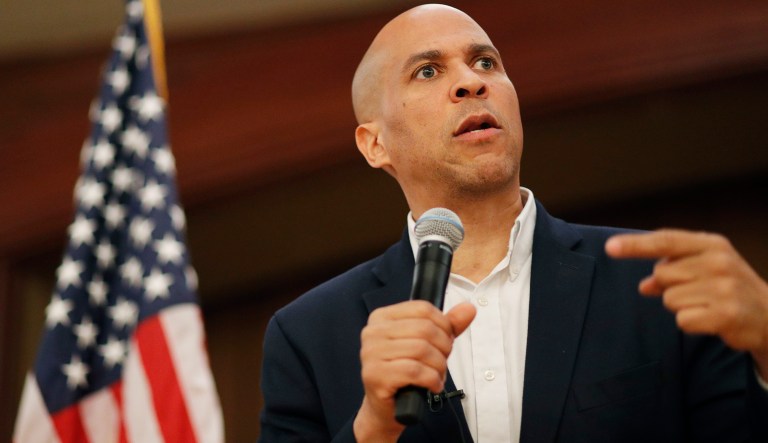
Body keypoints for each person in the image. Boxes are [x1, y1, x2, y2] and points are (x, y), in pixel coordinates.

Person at [258, 4, 768, 442]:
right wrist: (373, 426)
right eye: (428, 72)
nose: (470, 81)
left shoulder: (660, 281)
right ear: (375, 144)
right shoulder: (307, 336)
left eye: (485, 62)